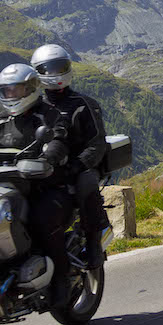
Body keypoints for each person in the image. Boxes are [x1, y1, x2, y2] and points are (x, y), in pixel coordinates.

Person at [0, 62, 74, 306]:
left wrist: (48, 157)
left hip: (44, 185)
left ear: (30, 89)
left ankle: (62, 279)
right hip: (6, 186)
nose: (11, 96)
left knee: (44, 219)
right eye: (6, 91)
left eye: (16, 90)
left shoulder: (49, 114)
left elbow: (58, 139)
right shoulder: (0, 120)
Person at [29, 43, 112, 272]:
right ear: (38, 72)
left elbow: (97, 142)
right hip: (44, 166)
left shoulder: (84, 105)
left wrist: (79, 165)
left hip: (81, 165)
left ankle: (93, 240)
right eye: (49, 69)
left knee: (86, 183)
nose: (55, 74)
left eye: (60, 67)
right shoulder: (35, 106)